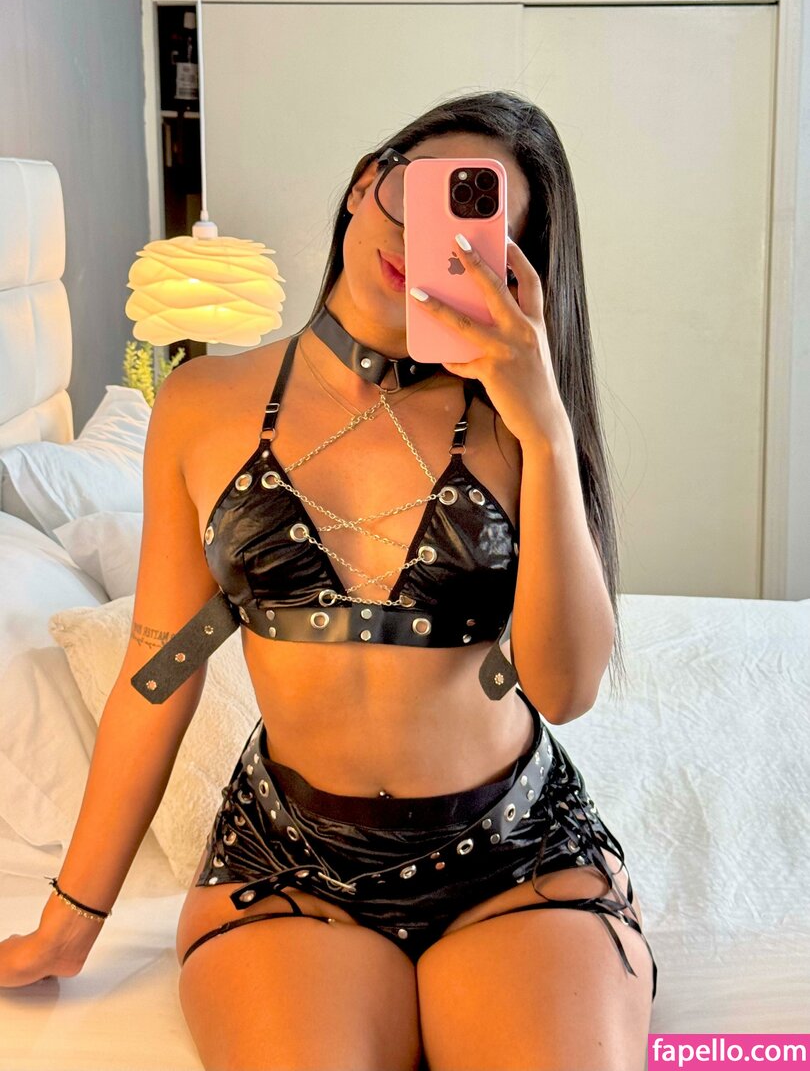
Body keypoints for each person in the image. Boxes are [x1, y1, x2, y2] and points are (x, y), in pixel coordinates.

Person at [0, 90, 658, 1070]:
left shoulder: (516, 422)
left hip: (517, 858)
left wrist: (547, 427)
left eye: (470, 230)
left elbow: (565, 689)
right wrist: (70, 919)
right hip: (290, 869)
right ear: (363, 184)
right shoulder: (201, 405)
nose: (423, 240)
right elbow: (161, 668)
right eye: (415, 193)